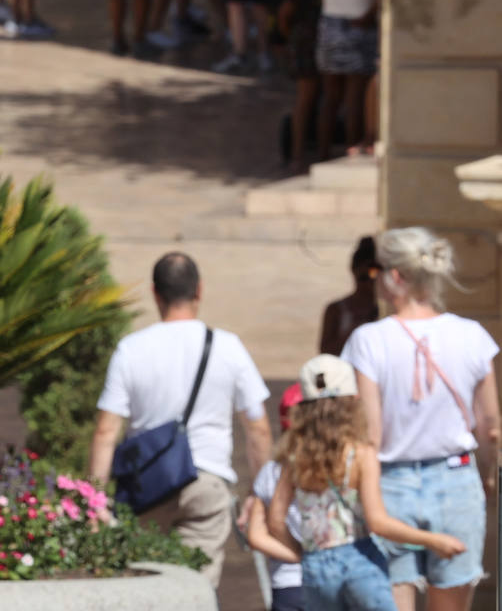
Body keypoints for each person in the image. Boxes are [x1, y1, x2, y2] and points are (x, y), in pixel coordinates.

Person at [89, 251, 272, 587]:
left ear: (155, 293)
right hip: (207, 480)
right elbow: (257, 426)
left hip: (148, 485)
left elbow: (106, 430)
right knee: (198, 589)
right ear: (199, 290)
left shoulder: (131, 349)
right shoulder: (228, 347)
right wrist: (259, 493)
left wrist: (95, 500)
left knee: (142, 583)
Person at [341, 228, 500, 611]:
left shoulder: (369, 340)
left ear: (396, 277)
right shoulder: (472, 336)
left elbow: (371, 434)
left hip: (391, 484)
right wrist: (489, 475)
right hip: (457, 480)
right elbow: (490, 425)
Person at [266, 355, 466, 611]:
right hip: (358, 560)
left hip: (316, 567)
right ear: (353, 402)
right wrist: (434, 540)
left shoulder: (294, 457)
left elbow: (275, 520)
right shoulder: (360, 454)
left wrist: (302, 554)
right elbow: (378, 522)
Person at [316, 0, 380, 160]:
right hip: (359, 32)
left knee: (330, 97)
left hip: (329, 29)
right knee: (355, 96)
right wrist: (370, 14)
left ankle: (322, 152)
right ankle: (351, 148)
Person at [240, 383, 306, 611]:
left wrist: (296, 557)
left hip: (287, 584)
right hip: (332, 580)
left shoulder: (270, 471)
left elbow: (256, 536)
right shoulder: (337, 467)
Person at [278, 0, 331, 171]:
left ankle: (322, 152)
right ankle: (298, 155)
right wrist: (292, 39)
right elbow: (285, 15)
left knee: (327, 99)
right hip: (307, 43)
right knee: (306, 99)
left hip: (325, 42)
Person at [319, 236, 380, 357]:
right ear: (354, 271)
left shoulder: (389, 308)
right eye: (363, 277)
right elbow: (325, 351)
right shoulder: (336, 309)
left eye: (373, 276)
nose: (368, 283)